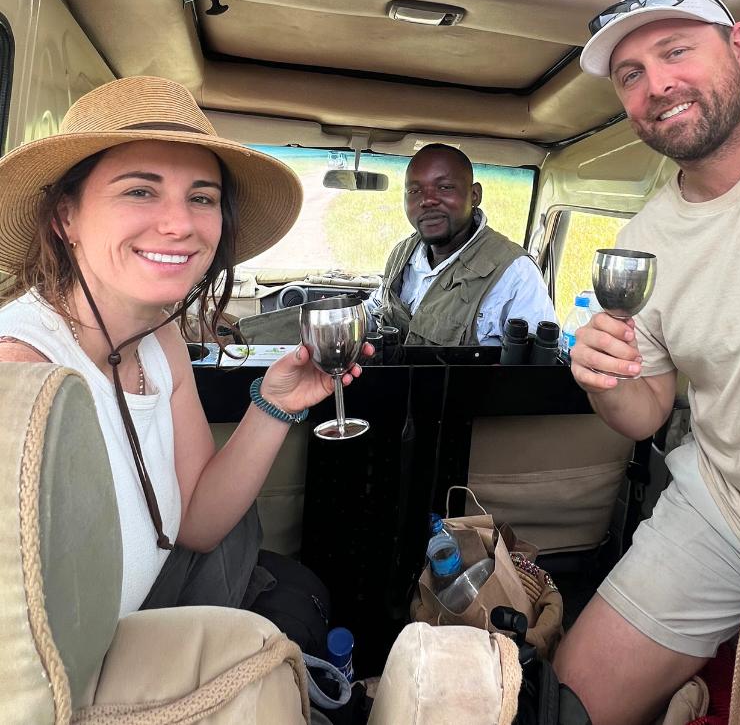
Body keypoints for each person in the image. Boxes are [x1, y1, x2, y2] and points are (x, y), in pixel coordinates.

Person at [0, 76, 368, 622]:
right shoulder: (21, 372)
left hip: (162, 603)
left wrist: (274, 404)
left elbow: (197, 523)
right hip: (93, 680)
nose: (180, 224)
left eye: (202, 197)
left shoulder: (159, 337)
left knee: (304, 597)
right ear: (65, 217)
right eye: (139, 191)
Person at [553, 0, 740, 725]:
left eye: (676, 51)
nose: (657, 83)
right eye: (632, 74)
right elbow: (644, 412)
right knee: (570, 700)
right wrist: (602, 374)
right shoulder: (643, 239)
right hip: (729, 505)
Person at [365, 143, 554, 345]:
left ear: (475, 195)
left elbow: (537, 365)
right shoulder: (403, 254)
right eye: (414, 190)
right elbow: (379, 306)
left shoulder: (515, 273)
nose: (427, 200)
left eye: (444, 187)